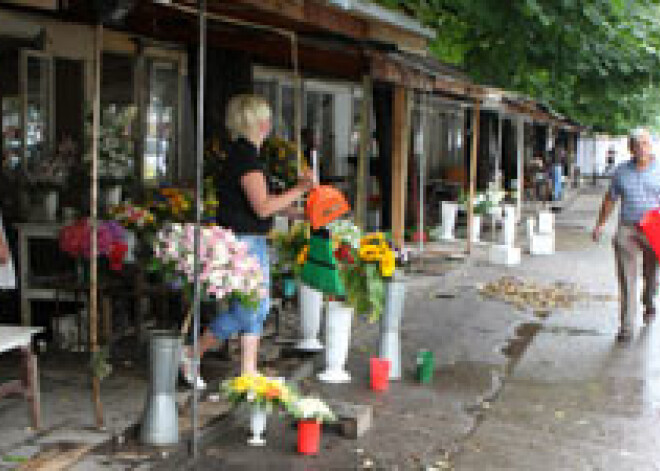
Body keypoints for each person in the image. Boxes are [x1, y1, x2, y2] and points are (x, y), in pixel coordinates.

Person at [180, 94, 315, 389]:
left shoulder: (244, 155)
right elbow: (263, 207)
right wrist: (301, 188)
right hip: (244, 242)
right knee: (252, 308)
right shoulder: (246, 160)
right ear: (257, 123)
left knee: (255, 306)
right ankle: (194, 351)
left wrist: (302, 213)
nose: (269, 123)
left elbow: (263, 203)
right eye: (266, 118)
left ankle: (248, 371)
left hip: (247, 239)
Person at [592, 128, 660, 342]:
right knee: (626, 278)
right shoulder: (621, 171)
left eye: (645, 143)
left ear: (651, 146)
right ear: (630, 148)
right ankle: (626, 327)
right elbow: (610, 199)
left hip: (654, 228)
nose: (641, 148)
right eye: (636, 144)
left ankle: (648, 300)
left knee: (651, 275)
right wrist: (600, 224)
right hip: (627, 228)